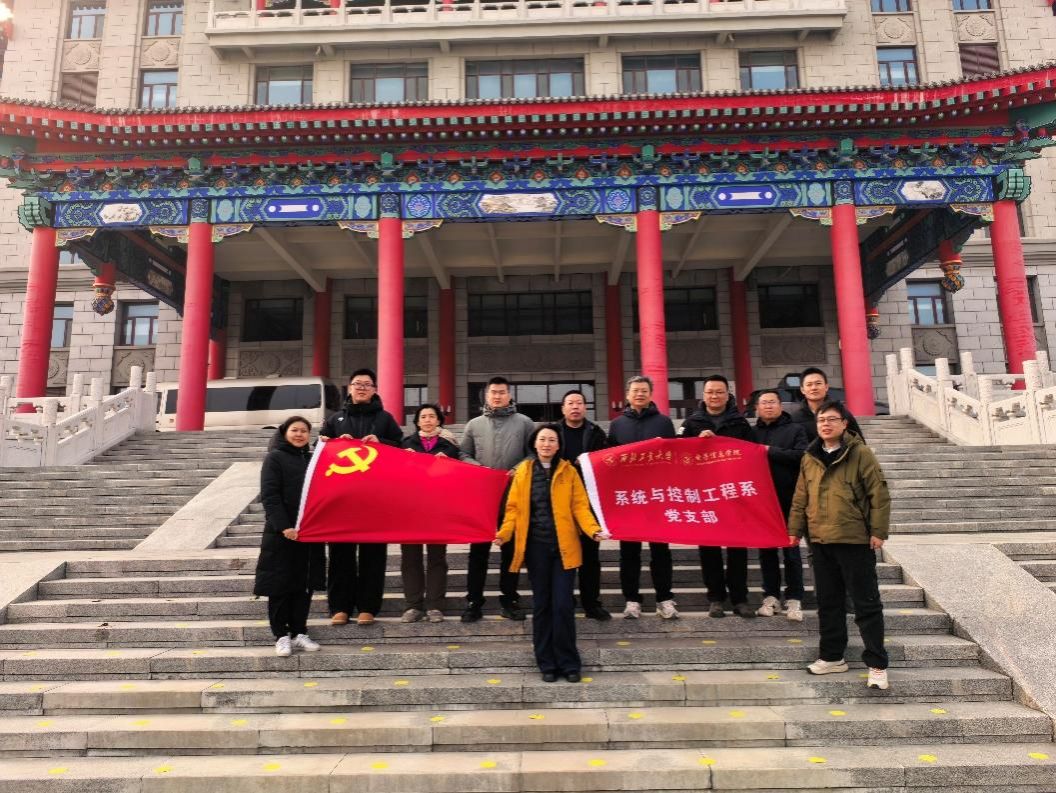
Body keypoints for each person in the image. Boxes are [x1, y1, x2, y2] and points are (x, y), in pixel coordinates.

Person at [788, 401, 892, 691]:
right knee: (828, 602)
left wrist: (878, 531)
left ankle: (877, 664)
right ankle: (832, 656)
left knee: (866, 603)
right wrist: (795, 530)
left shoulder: (860, 453)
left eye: (832, 419)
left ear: (845, 423)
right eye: (821, 420)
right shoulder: (809, 456)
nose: (826, 424)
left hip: (854, 539)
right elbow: (800, 497)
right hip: (820, 540)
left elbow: (878, 493)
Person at [496, 425, 606, 682]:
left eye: (552, 440)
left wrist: (592, 529)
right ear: (535, 444)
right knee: (542, 605)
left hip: (565, 548)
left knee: (563, 605)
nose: (546, 444)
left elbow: (580, 506)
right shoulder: (523, 472)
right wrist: (505, 533)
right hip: (536, 549)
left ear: (558, 446)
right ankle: (546, 663)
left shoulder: (569, 472)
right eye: (542, 439)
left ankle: (569, 663)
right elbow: (513, 509)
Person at [318, 368, 403, 627]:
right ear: (350, 388)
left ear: (375, 389)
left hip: (375, 498)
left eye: (367, 384)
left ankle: (368, 606)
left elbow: (401, 449)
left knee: (373, 555)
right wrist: (333, 442)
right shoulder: (335, 419)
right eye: (358, 384)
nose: (362, 388)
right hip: (341, 499)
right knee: (340, 554)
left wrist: (381, 442)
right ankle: (340, 606)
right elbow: (318, 450)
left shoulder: (385, 419)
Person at [459, 376, 536, 623]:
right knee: (478, 552)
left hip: (513, 496)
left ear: (509, 395)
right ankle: (474, 601)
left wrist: (517, 469)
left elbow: (533, 453)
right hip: (483, 499)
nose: (498, 396)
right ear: (486, 395)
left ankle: (509, 599)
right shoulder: (474, 425)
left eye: (502, 392)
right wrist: (478, 468)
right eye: (493, 392)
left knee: (510, 551)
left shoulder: (525, 423)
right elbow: (463, 454)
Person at [681, 374, 755, 619]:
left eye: (719, 392)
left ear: (727, 395)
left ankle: (740, 599)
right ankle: (715, 598)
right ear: (703, 395)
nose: (714, 396)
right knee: (709, 549)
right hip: (704, 495)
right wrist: (696, 443)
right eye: (710, 392)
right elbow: (679, 455)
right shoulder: (692, 423)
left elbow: (752, 454)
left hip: (733, 494)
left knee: (738, 549)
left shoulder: (740, 423)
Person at [254, 416, 326, 657]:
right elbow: (270, 495)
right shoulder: (275, 458)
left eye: (304, 431)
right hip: (282, 534)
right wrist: (284, 526)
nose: (299, 435)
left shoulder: (313, 460)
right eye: (295, 430)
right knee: (280, 585)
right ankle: (281, 636)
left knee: (304, 586)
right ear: (285, 433)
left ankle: (299, 632)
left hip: (309, 533)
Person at [607, 375, 678, 620]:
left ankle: (664, 599)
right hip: (629, 498)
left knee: (661, 551)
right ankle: (632, 600)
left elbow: (674, 456)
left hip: (657, 497)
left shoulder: (664, 423)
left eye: (644, 390)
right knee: (629, 553)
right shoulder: (617, 425)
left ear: (650, 394)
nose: (639, 394)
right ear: (627, 395)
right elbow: (609, 459)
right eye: (635, 390)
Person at [398, 403, 463, 624]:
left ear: (438, 421)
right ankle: (413, 605)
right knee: (410, 558)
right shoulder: (406, 444)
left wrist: (450, 462)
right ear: (417, 422)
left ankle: (435, 605)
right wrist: (402, 459)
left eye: (432, 416)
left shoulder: (450, 446)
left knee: (437, 558)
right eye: (423, 416)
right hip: (410, 509)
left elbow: (458, 475)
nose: (427, 420)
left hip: (438, 509)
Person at [752, 389, 809, 622]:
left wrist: (770, 451)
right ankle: (771, 596)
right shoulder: (752, 433)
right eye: (764, 403)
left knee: (791, 551)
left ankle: (794, 597)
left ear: (780, 405)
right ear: (757, 408)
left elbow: (802, 456)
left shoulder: (795, 429)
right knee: (766, 552)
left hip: (789, 500)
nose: (768, 406)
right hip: (762, 502)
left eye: (772, 402)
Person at [556, 389, 611, 621]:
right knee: (563, 555)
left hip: (589, 503)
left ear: (585, 407)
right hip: (560, 503)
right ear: (563, 408)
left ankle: (591, 603)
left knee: (590, 557)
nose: (575, 407)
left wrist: (589, 461)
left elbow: (606, 461)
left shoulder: (596, 433)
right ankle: (565, 600)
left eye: (579, 403)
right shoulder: (553, 432)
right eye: (570, 403)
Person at [793, 367, 865, 442]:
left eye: (818, 383)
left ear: (826, 387)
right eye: (809, 384)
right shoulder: (795, 419)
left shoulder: (842, 413)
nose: (814, 388)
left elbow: (858, 441)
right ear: (802, 390)